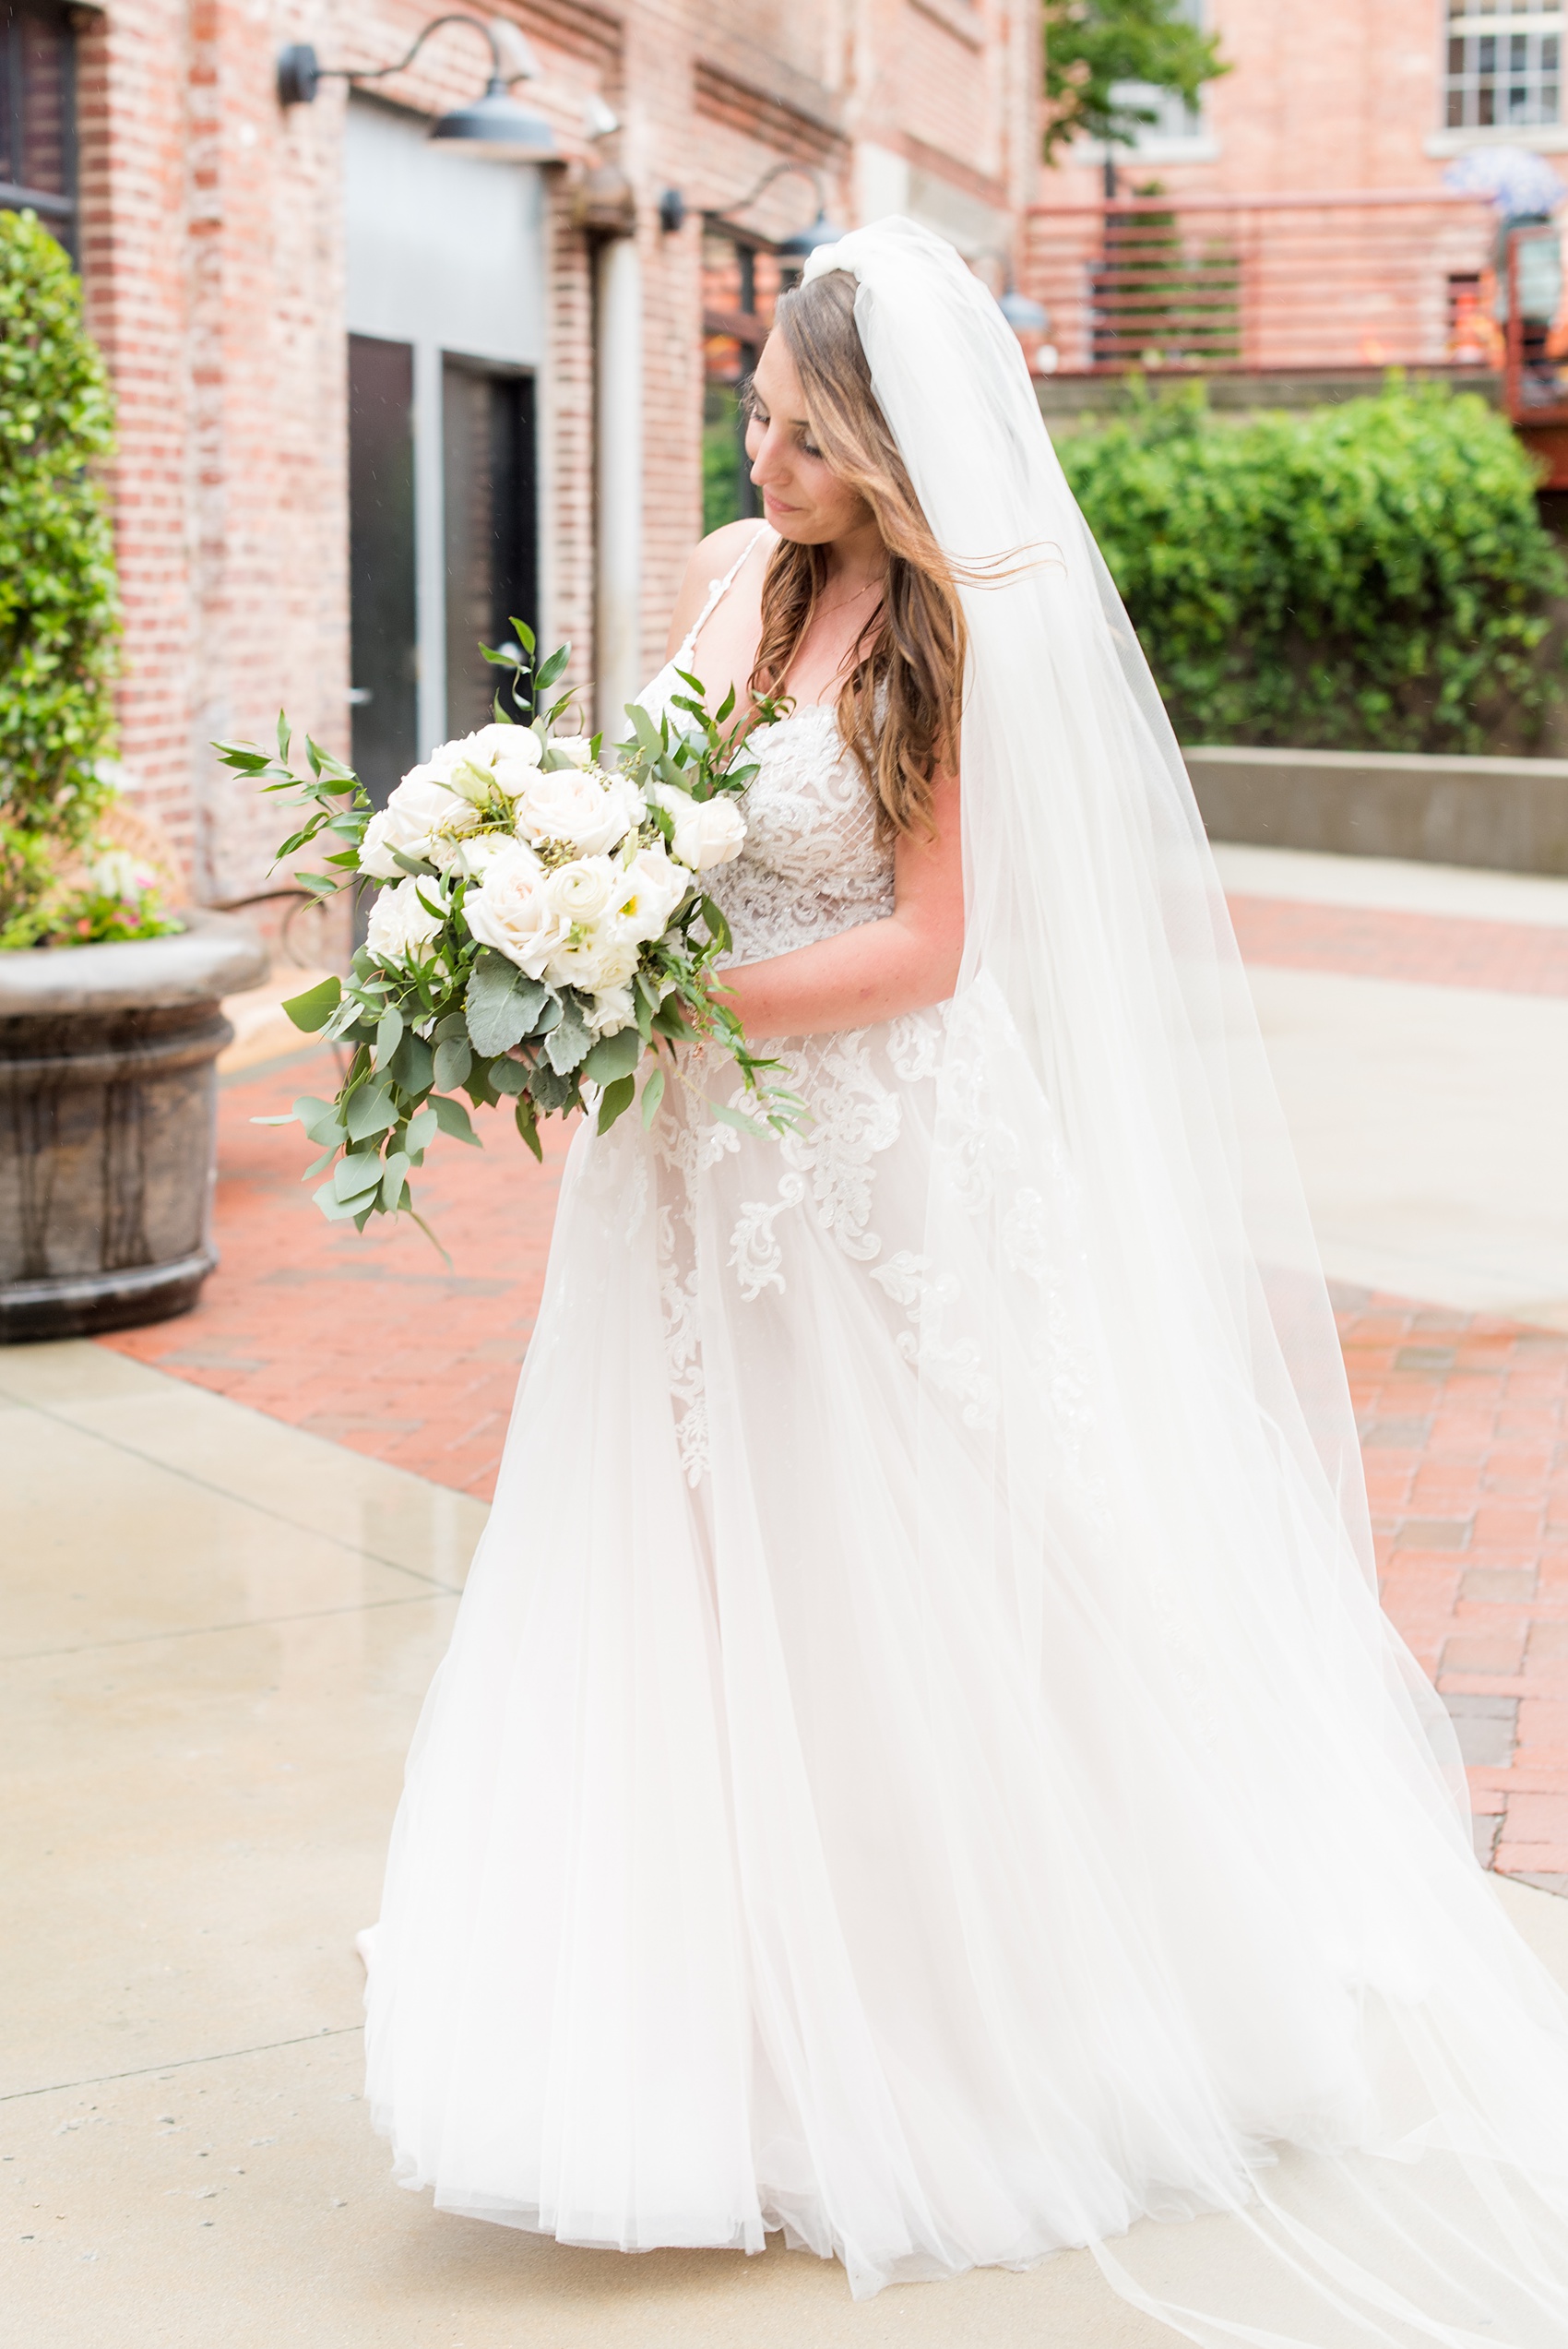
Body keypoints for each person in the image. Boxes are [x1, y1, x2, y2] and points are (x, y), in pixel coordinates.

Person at [362, 219, 1568, 2343]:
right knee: (699, 1567)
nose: (764, 457)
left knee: (893, 1568)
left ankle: (963, 2030)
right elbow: (641, 811)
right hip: (689, 1166)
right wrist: (533, 894)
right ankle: (702, 2046)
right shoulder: (737, 582)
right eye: (754, 416)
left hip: (882, 1152)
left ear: (891, 445)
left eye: (801, 433)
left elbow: (931, 947)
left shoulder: (959, 631)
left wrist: (675, 1001)